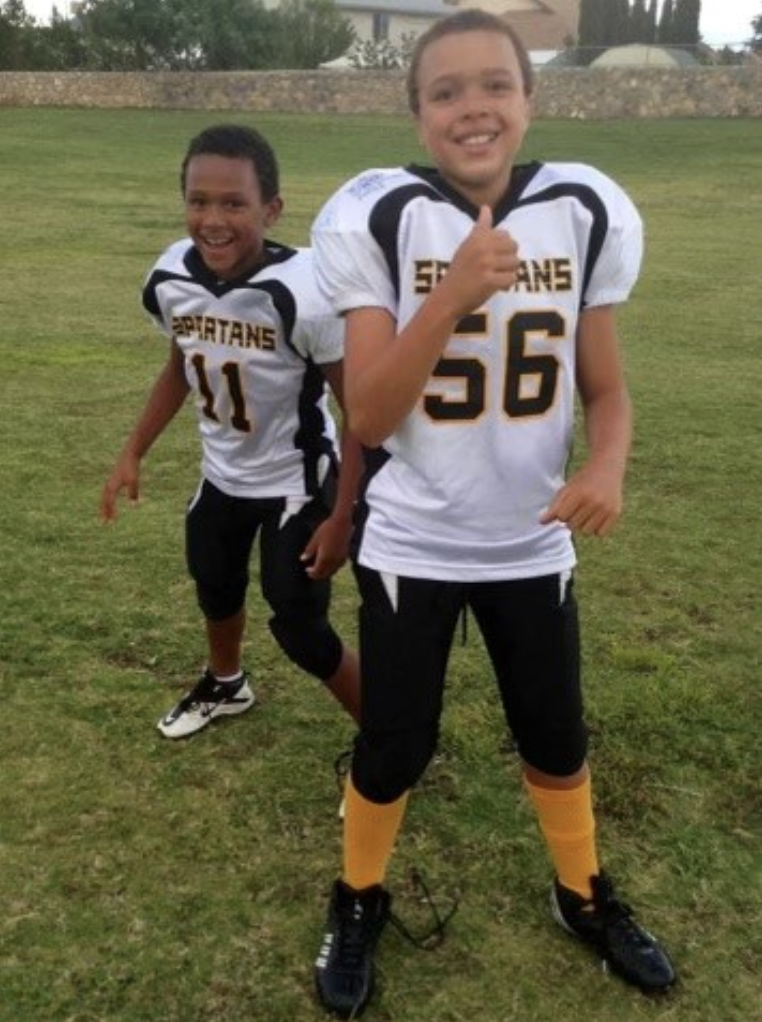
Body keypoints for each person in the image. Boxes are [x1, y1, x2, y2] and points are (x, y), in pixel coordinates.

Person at [310, 10, 676, 1017]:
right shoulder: (380, 214)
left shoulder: (581, 206)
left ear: (530, 97)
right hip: (414, 539)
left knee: (555, 735)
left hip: (530, 535)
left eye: (494, 86)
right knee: (394, 741)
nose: (473, 107)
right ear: (417, 112)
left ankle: (581, 891)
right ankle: (357, 894)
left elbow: (606, 388)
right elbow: (372, 412)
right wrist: (453, 293)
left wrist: (608, 463)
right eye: (445, 91)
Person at [101, 123, 361, 740]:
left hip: (295, 482)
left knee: (299, 623)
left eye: (234, 203)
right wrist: (133, 449)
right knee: (214, 583)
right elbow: (182, 365)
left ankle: (390, 738)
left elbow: (361, 413)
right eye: (198, 201)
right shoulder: (172, 277)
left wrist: (344, 514)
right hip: (223, 474)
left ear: (271, 208)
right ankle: (226, 683)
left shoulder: (306, 288)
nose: (213, 219)